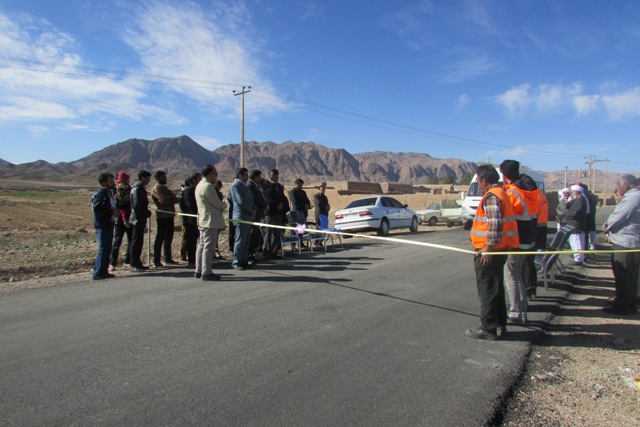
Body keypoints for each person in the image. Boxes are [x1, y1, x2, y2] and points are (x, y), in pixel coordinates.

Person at [466, 165, 519, 340]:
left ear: (484, 180)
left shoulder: (491, 197)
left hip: (490, 251)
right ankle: (499, 324)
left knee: (487, 289)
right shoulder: (502, 192)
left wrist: (488, 248)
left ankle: (487, 328)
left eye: (479, 181)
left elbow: (495, 225)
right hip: (499, 249)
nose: (479, 185)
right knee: (496, 288)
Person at [499, 160, 539, 325]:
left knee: (511, 275)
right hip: (528, 240)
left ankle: (515, 312)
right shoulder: (526, 190)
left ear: (504, 174)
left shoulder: (513, 193)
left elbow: (507, 218)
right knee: (517, 276)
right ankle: (522, 310)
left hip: (517, 241)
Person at [602, 174, 640, 315]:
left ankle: (623, 305)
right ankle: (630, 304)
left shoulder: (632, 198)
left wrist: (606, 226)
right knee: (630, 275)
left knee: (624, 275)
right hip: (631, 242)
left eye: (618, 185)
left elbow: (618, 216)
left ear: (626, 185)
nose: (617, 188)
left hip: (626, 243)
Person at [194, 165, 226, 281]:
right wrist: (224, 205)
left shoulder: (199, 185)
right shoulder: (208, 187)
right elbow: (217, 203)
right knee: (208, 247)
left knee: (202, 246)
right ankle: (206, 271)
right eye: (215, 174)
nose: (216, 176)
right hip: (210, 221)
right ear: (209, 174)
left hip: (203, 220)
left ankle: (199, 269)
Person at [92, 172, 118, 280]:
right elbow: (97, 208)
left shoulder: (109, 193)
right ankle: (98, 272)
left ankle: (103, 271)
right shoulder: (100, 194)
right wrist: (111, 212)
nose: (113, 183)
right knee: (103, 248)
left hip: (109, 223)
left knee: (107, 248)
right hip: (102, 224)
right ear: (104, 183)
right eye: (111, 182)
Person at [151, 170, 179, 267]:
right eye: (163, 177)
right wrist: (170, 198)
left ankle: (168, 258)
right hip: (162, 216)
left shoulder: (165, 188)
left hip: (169, 215)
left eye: (165, 177)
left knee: (168, 238)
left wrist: (170, 198)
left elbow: (176, 199)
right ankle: (156, 260)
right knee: (160, 238)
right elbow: (163, 200)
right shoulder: (156, 188)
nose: (165, 179)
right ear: (157, 178)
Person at [230, 168, 256, 270]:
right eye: (245, 175)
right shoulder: (236, 186)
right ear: (240, 175)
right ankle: (236, 261)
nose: (247, 177)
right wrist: (251, 211)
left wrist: (254, 209)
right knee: (240, 240)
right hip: (241, 217)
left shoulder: (245, 186)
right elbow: (240, 202)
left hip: (248, 216)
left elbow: (250, 200)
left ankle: (243, 260)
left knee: (246, 240)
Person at [129, 170, 152, 272]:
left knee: (139, 242)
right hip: (136, 219)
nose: (149, 180)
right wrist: (145, 212)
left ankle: (137, 262)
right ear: (142, 178)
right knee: (136, 242)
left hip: (139, 219)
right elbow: (137, 205)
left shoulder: (140, 189)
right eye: (147, 178)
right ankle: (134, 264)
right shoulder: (137, 189)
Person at [262, 169, 288, 258]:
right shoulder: (265, 185)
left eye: (277, 176)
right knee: (268, 233)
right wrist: (275, 204)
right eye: (273, 175)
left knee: (277, 233)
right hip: (270, 212)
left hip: (278, 212)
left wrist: (281, 204)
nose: (275, 177)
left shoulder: (279, 186)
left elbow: (281, 196)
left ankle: (274, 251)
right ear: (269, 175)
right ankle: (266, 252)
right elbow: (267, 197)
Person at [110, 171, 132, 270]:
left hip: (118, 217)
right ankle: (127, 261)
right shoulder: (125, 188)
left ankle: (112, 263)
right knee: (130, 240)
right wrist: (125, 218)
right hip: (126, 217)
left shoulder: (114, 188)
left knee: (117, 241)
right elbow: (124, 204)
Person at [563, 184, 589, 265]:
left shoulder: (580, 200)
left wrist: (566, 214)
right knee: (575, 241)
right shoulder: (578, 199)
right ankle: (578, 257)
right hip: (574, 225)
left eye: (572, 191)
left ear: (576, 192)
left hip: (576, 225)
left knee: (577, 242)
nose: (571, 193)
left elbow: (576, 212)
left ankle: (578, 259)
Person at [179, 174, 200, 267]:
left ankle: (196, 259)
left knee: (196, 239)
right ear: (194, 180)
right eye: (199, 179)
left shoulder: (197, 190)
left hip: (198, 219)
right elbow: (190, 206)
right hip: (191, 220)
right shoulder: (189, 191)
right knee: (191, 241)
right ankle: (191, 260)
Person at [248, 170, 266, 260]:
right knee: (252, 234)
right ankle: (249, 253)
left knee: (255, 234)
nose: (260, 179)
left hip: (259, 213)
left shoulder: (256, 186)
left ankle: (252, 252)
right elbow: (254, 199)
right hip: (255, 214)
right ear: (255, 177)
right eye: (259, 177)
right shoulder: (250, 186)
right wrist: (262, 205)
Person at [579, 183, 598, 251]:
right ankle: (592, 246)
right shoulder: (592, 196)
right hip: (591, 215)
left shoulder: (585, 196)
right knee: (591, 231)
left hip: (587, 217)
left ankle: (586, 249)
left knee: (586, 234)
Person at [214, 179, 224, 259]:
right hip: (214, 217)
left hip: (218, 216)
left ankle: (216, 251)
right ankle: (214, 252)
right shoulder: (213, 193)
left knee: (216, 236)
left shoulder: (219, 194)